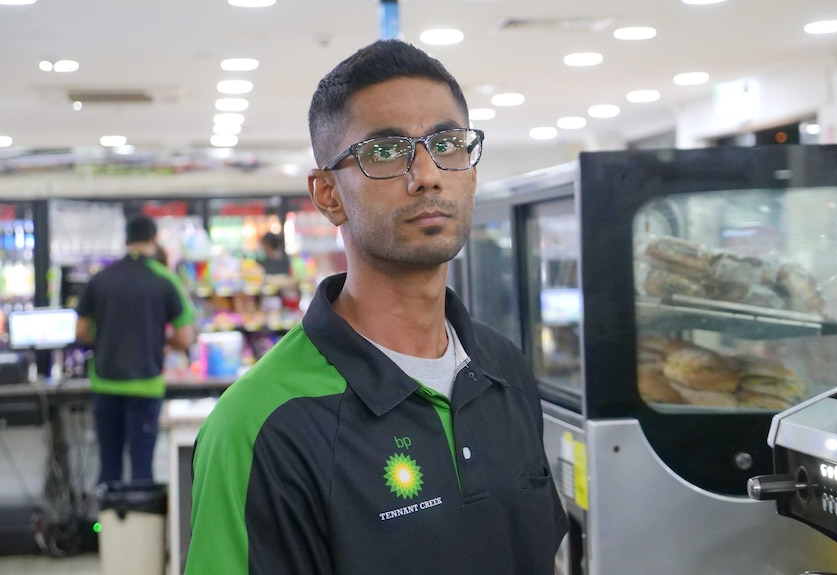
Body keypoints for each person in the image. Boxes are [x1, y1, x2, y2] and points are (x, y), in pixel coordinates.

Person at [187, 39, 567, 574]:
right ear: (328, 195)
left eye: (448, 143)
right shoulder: (260, 424)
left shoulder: (501, 368)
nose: (428, 173)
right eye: (385, 152)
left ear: (472, 172)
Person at [75, 214, 196, 483]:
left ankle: (108, 525)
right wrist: (159, 340)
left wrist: (106, 336)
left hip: (105, 384)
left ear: (126, 240)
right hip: (146, 384)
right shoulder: (165, 280)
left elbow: (81, 331)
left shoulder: (101, 279)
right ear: (154, 240)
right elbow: (186, 337)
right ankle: (142, 524)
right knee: (142, 467)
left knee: (109, 467)